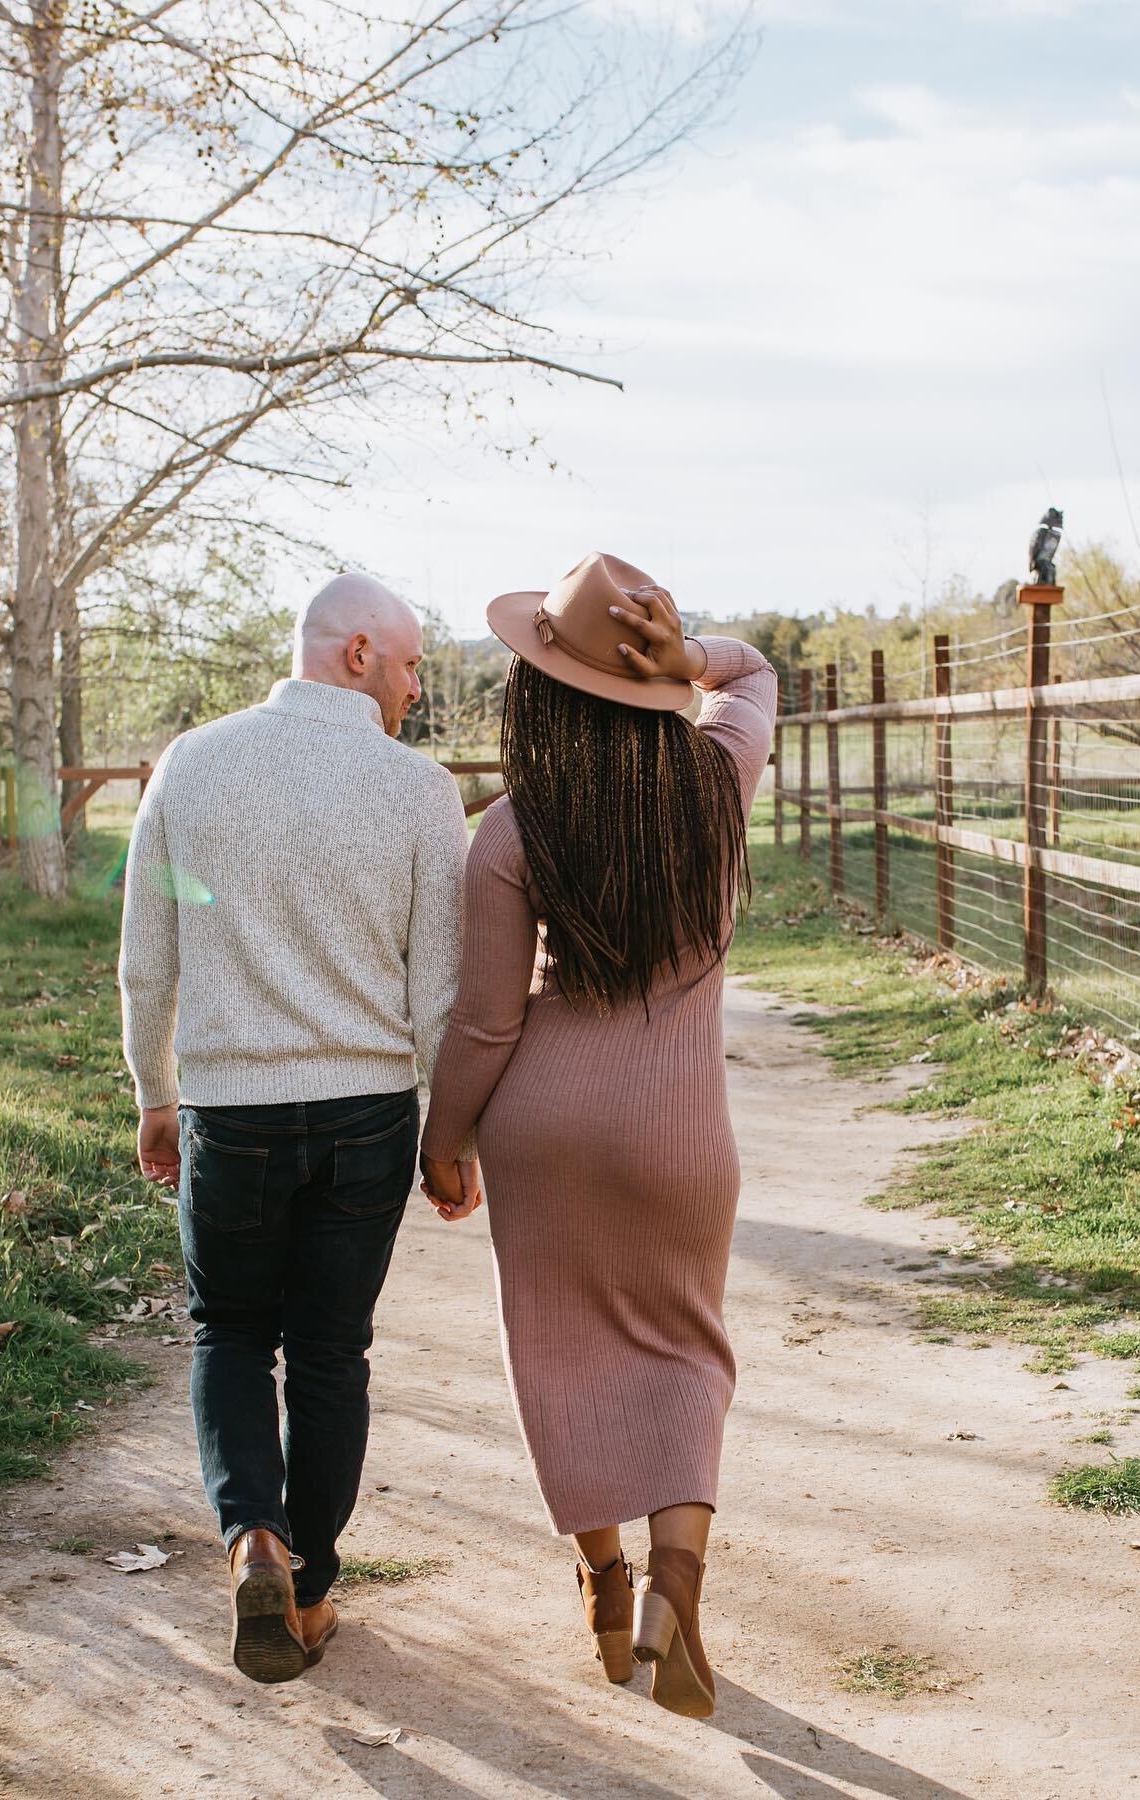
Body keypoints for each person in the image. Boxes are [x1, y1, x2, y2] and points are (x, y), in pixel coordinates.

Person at [419, 551, 776, 1720]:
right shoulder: (722, 775)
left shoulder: (516, 828)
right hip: (678, 1124)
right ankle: (680, 1587)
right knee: (683, 1351)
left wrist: (447, 1136)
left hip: (548, 1119)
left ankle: (606, 1587)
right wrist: (692, 658)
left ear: (542, 689)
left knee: (561, 1354)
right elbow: (756, 670)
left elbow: (485, 1018)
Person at [119, 573, 479, 1685]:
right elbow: (442, 994)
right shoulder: (420, 790)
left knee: (229, 1332)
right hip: (368, 1114)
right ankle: (311, 1594)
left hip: (230, 1111)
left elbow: (148, 959)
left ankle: (253, 1541)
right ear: (359, 651)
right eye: (415, 663)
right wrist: (449, 1134)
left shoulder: (194, 762)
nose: (419, 688)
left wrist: (155, 1093)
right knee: (330, 1352)